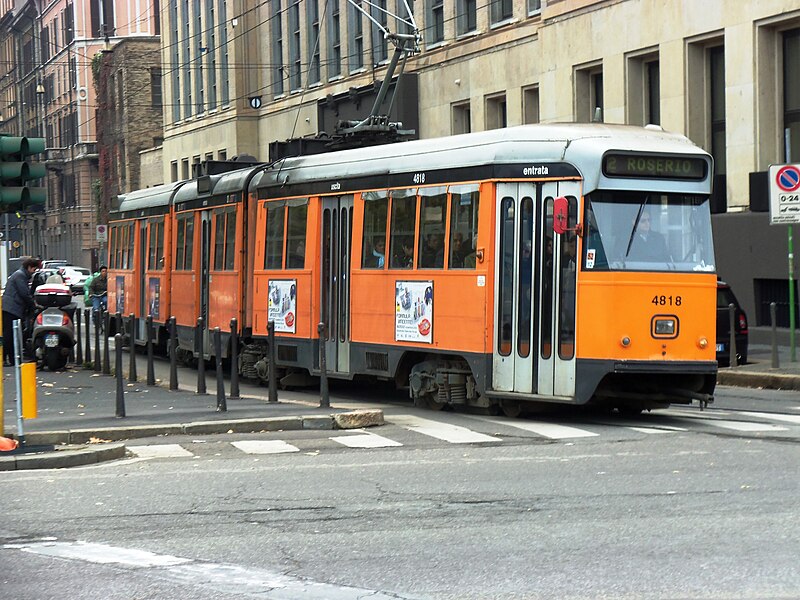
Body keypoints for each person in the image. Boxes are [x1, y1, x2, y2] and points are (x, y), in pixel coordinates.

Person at [2, 257, 41, 365]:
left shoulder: (20, 274)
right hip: (12, 308)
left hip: (10, 307)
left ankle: (10, 358)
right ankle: (6, 358)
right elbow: (24, 293)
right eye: (34, 269)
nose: (34, 272)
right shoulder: (20, 276)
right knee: (10, 334)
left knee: (11, 334)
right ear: (29, 267)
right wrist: (33, 305)